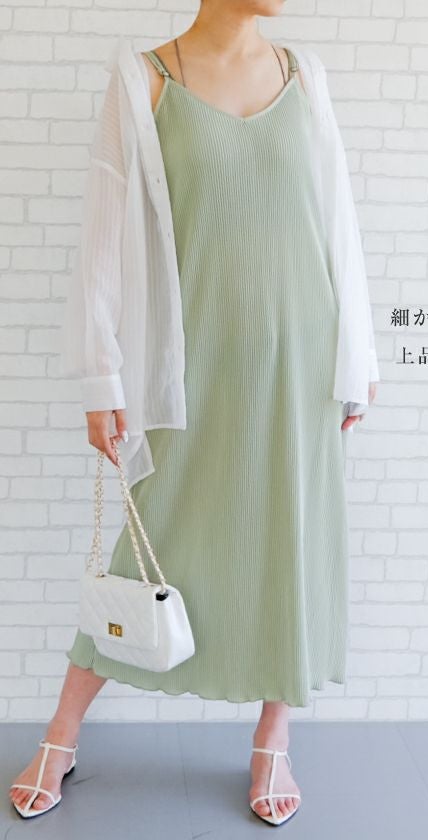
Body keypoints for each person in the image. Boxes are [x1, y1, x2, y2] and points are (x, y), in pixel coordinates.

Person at [8, 0, 379, 827]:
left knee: (291, 537)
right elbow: (103, 238)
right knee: (151, 544)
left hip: (299, 360)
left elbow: (337, 221)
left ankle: (273, 738)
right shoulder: (144, 79)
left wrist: (357, 357)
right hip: (189, 364)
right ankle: (62, 735)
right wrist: (101, 380)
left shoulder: (305, 77)